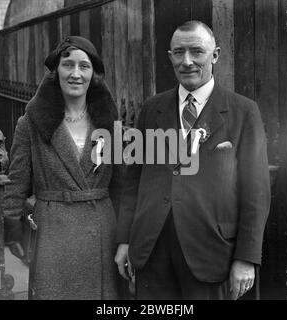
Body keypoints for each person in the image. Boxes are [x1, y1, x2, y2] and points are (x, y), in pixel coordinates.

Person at [114, 21, 270, 300]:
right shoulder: (152, 109)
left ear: (215, 55)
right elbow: (133, 181)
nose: (187, 61)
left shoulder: (243, 111)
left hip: (211, 254)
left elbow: (256, 192)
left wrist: (246, 257)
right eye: (179, 52)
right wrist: (125, 239)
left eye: (197, 51)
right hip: (152, 251)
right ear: (170, 56)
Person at [3, 36, 122, 300]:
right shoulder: (31, 123)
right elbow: (17, 179)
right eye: (68, 65)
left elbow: (123, 187)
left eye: (84, 66)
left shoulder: (110, 124)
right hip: (52, 234)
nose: (76, 74)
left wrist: (125, 238)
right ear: (56, 72)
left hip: (101, 232)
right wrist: (12, 225)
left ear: (94, 74)